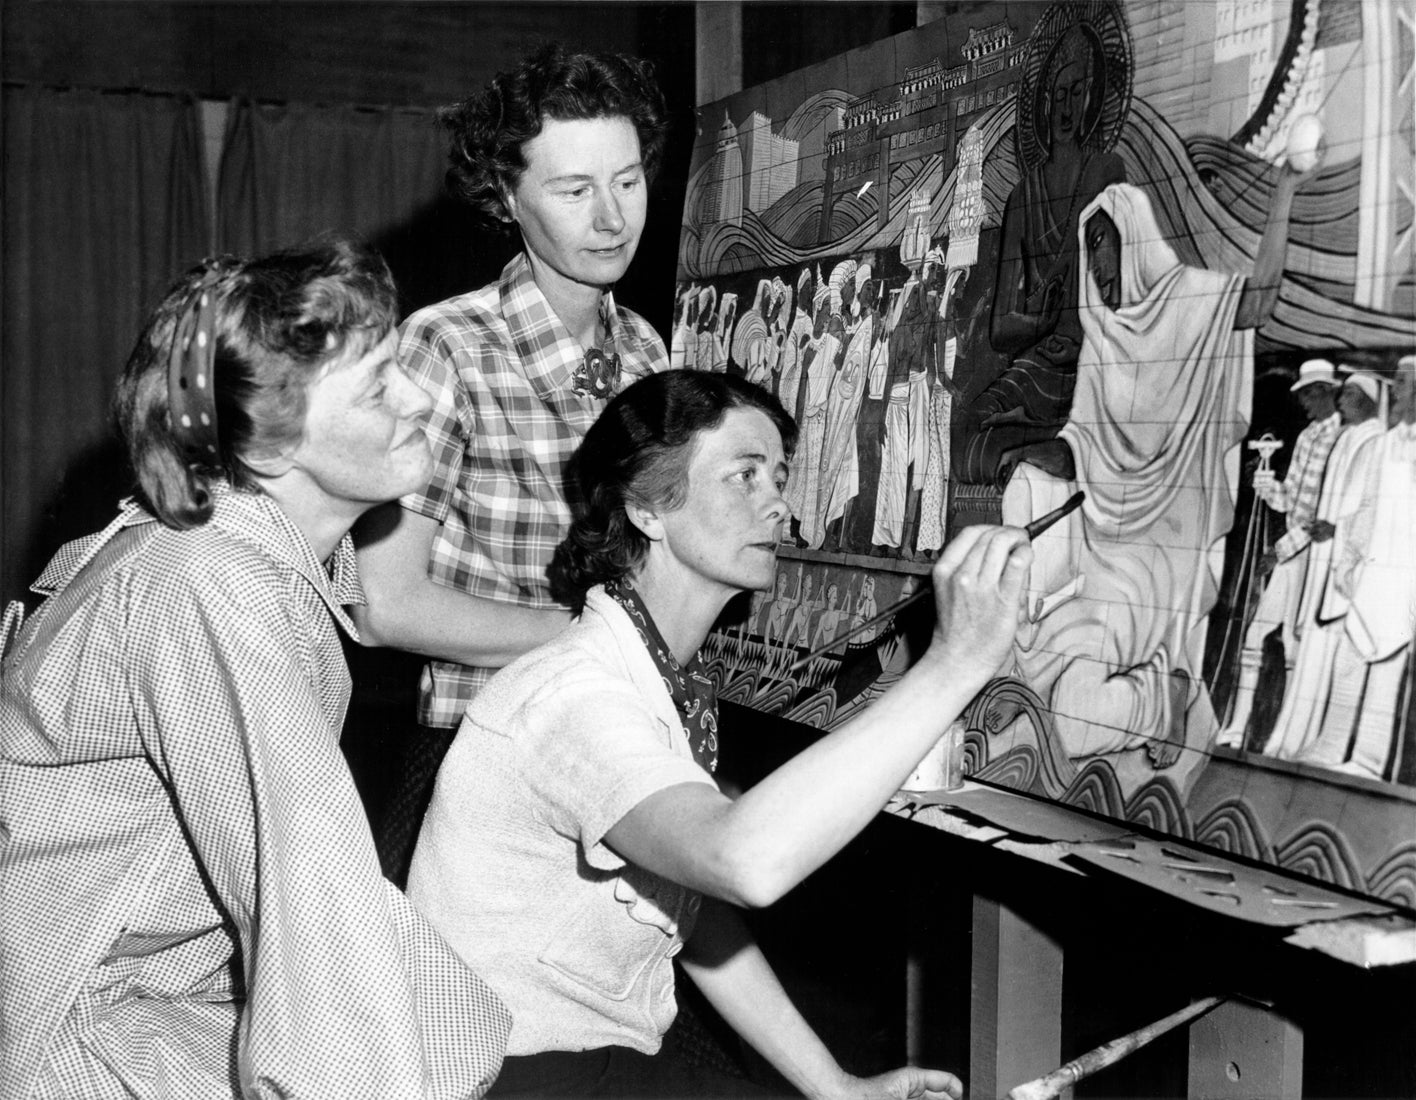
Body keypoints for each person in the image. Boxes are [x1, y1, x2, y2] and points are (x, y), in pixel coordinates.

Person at [407, 370, 1030, 1099]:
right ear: (647, 508)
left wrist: (837, 1088)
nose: (779, 502)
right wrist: (956, 662)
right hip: (507, 1078)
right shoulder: (574, 697)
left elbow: (697, 907)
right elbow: (743, 862)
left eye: (779, 477)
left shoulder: (654, 677)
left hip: (574, 1066)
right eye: (745, 475)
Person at [0, 241, 510, 1098]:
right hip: (66, 1020)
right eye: (379, 385)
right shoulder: (211, 582)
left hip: (140, 991)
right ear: (272, 446)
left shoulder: (229, 559)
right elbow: (307, 880)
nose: (422, 397)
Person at [351, 45, 671, 882]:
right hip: (477, 751)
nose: (612, 219)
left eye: (628, 180)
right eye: (574, 190)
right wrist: (603, 641)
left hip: (620, 744)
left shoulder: (648, 352)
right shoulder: (446, 346)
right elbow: (383, 604)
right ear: (505, 195)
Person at [994, 168, 1309, 788]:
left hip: (1163, 552)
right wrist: (1031, 455)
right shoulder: (1105, 341)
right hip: (1104, 544)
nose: (1095, 265)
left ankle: (1162, 696)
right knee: (1027, 516)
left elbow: (1259, 302)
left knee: (1071, 719)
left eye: (1101, 243)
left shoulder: (1188, 302)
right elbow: (1085, 445)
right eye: (1088, 248)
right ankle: (1041, 684)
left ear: (1132, 235)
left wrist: (1286, 189)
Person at [1264, 371, 1389, 765]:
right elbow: (1307, 500)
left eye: (1348, 393)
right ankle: (1294, 739)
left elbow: (1375, 506)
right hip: (1321, 559)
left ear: (1367, 399)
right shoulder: (1344, 438)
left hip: (1346, 564)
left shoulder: (1376, 441)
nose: (1341, 400)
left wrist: (1338, 530)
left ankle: (1329, 745)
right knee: (1307, 649)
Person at [1216, 358, 1342, 747]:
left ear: (1323, 392)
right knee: (1257, 635)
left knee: (1293, 643)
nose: (1303, 402)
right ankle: (1237, 728)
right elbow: (1291, 500)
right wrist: (1267, 483)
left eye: (1307, 395)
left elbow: (1322, 513)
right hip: (1292, 553)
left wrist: (1278, 551)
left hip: (1315, 559)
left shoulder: (1340, 439)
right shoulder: (1306, 436)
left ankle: (1285, 739)